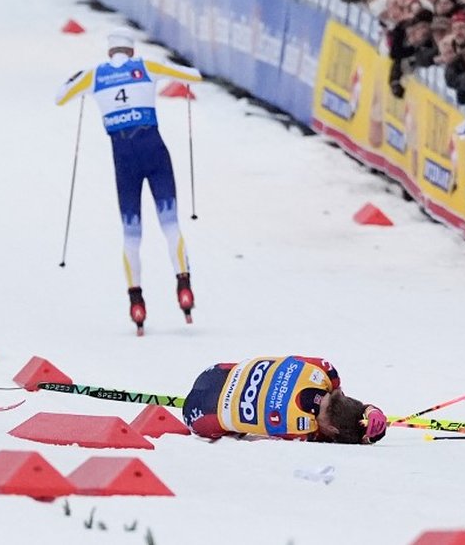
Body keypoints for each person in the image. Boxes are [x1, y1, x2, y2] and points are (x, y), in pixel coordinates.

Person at [56, 29, 201, 335]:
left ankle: (136, 301)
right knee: (170, 224)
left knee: (131, 234)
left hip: (124, 160)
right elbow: (193, 76)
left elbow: (60, 98)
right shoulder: (146, 67)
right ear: (131, 52)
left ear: (110, 53)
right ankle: (184, 286)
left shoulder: (94, 75)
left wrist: (75, 79)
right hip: (155, 152)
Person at [182, 356, 387, 444]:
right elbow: (336, 440)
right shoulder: (303, 431)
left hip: (215, 371)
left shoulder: (325, 371)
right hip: (199, 414)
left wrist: (369, 410)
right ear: (333, 430)